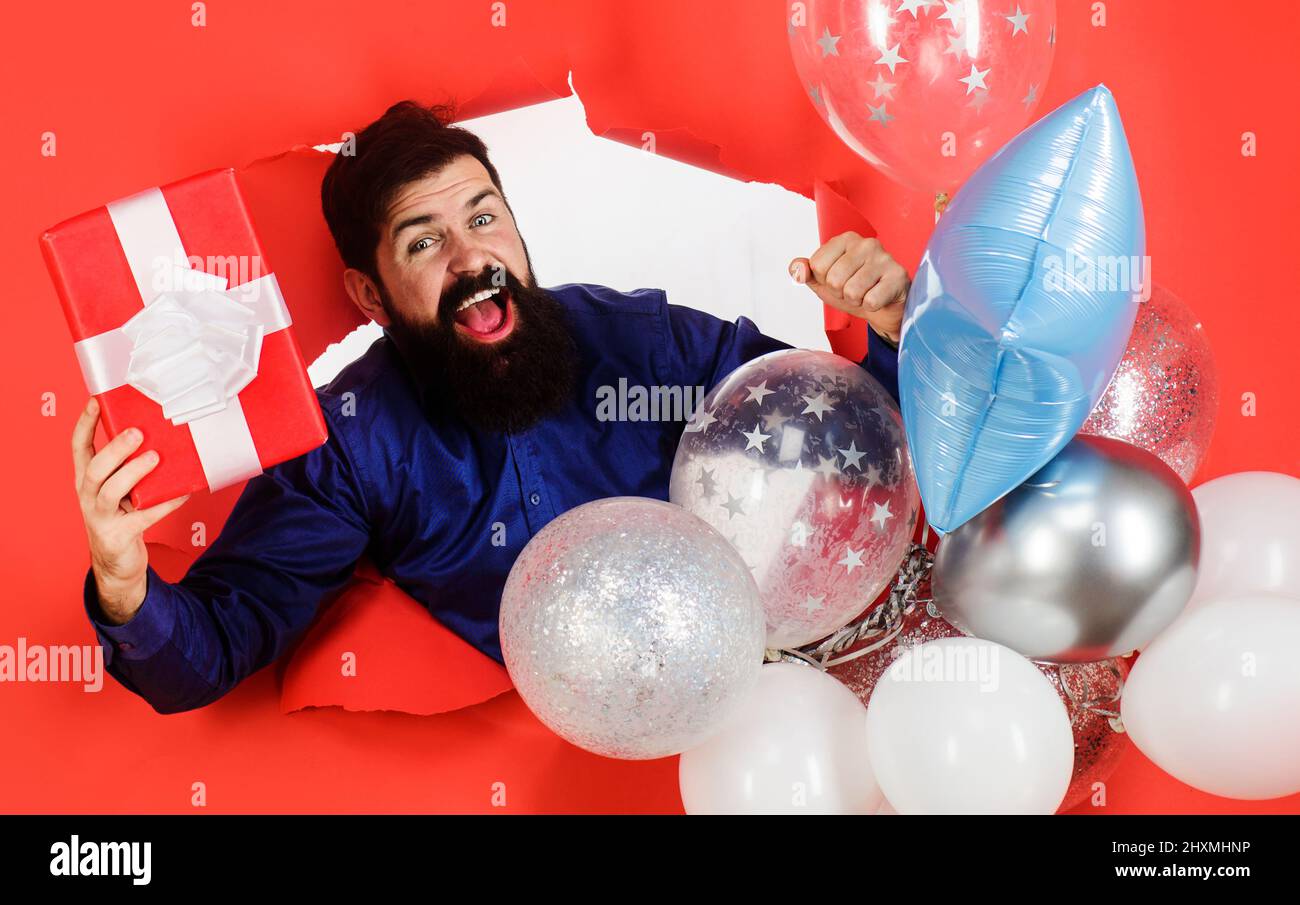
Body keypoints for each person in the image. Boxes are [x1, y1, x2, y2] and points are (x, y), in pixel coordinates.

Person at [71, 101, 911, 713]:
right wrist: (122, 582)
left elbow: (850, 437)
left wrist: (887, 329)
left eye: (483, 218)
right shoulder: (353, 444)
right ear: (370, 294)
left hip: (783, 684)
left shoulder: (641, 343)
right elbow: (214, 646)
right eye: (424, 242)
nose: (473, 258)